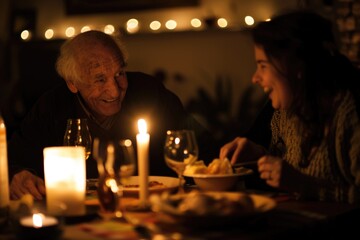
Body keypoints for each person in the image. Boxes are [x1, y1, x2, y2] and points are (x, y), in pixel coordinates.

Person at [8, 30, 217, 200]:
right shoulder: (51, 107)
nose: (116, 91)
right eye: (100, 79)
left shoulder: (150, 91)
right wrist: (16, 176)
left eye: (119, 74)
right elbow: (12, 160)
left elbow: (202, 145)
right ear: (73, 83)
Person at [220, 10, 360, 203]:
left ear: (298, 67)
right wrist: (259, 156)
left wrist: (306, 186)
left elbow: (300, 182)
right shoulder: (284, 114)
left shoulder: (349, 113)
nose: (255, 78)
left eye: (263, 65)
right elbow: (286, 172)